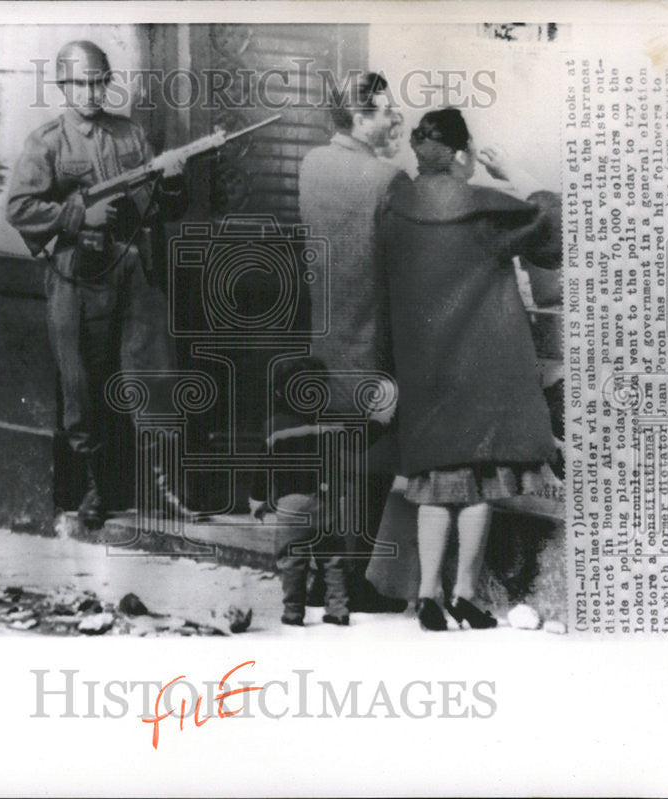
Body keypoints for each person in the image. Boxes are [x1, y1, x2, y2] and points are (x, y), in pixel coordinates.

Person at [378, 107, 562, 631]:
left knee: (435, 481)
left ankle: (427, 597)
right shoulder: (484, 207)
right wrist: (515, 177)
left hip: (424, 365)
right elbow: (555, 231)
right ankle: (462, 594)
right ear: (462, 154)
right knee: (481, 484)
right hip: (482, 365)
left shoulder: (396, 204)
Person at [6, 41, 189, 528]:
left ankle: (162, 491)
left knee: (153, 374)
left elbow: (164, 207)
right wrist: (78, 213)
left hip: (134, 270)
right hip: (77, 276)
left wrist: (171, 180)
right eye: (79, 84)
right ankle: (97, 486)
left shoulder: (130, 134)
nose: (89, 92)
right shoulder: (47, 143)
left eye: (97, 82)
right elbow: (19, 208)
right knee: (82, 384)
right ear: (63, 87)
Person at [297, 71, 409, 613]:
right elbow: (406, 271)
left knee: (331, 468)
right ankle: (351, 584)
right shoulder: (390, 180)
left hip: (322, 343)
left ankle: (323, 580)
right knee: (369, 471)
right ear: (361, 118)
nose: (394, 119)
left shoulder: (311, 166)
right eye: (385, 111)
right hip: (374, 347)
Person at [248, 358, 351, 627]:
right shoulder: (329, 423)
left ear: (280, 392)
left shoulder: (276, 426)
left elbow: (264, 466)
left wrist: (257, 499)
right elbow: (335, 462)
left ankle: (293, 612)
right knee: (332, 557)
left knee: (292, 559)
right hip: (326, 499)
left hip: (292, 502)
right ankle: (338, 609)